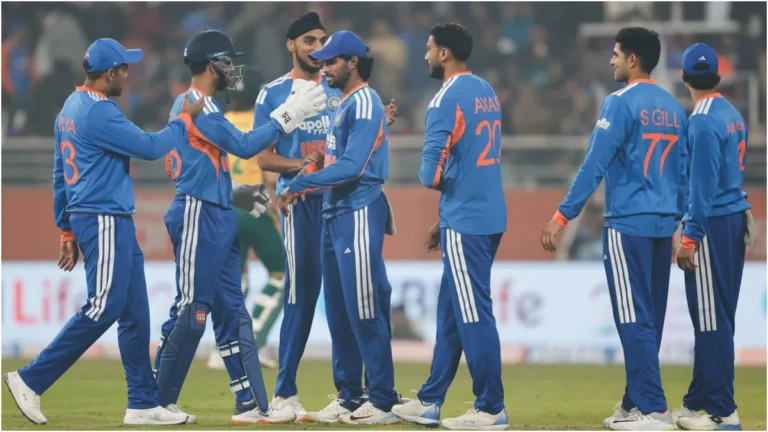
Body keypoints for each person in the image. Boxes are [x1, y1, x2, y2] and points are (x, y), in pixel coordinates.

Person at [3, 38, 205, 426]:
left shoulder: (70, 107)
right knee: (104, 306)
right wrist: (184, 120)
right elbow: (150, 147)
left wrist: (65, 229)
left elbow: (60, 173)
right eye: (124, 69)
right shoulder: (101, 111)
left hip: (102, 216)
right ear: (110, 73)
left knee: (134, 312)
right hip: (103, 216)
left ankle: (142, 403)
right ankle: (30, 379)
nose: (128, 75)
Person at [152, 29, 326, 424]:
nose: (234, 70)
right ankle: (153, 401)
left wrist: (236, 194)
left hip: (216, 210)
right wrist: (289, 114)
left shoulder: (202, 105)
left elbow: (199, 165)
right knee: (192, 310)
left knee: (232, 312)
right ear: (212, 64)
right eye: (228, 62)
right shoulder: (195, 103)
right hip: (197, 213)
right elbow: (245, 146)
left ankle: (251, 404)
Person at [539, 27, 688, 431]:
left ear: (633, 60)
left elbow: (594, 164)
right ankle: (635, 401)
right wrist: (680, 225)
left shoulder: (618, 103)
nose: (611, 60)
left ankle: (654, 409)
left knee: (632, 317)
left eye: (616, 54)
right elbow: (684, 173)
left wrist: (562, 215)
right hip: (663, 226)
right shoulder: (675, 108)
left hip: (627, 224)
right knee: (649, 319)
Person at [258, 14, 398, 422]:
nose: (318, 51)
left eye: (323, 43)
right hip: (304, 200)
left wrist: (377, 125)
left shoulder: (342, 91)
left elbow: (352, 150)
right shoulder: (275, 92)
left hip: (341, 197)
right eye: (310, 41)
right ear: (291, 45)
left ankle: (372, 393)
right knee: (303, 294)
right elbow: (263, 157)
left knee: (366, 295)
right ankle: (286, 391)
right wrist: (300, 172)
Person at [390, 23, 508, 431]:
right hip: (488, 215)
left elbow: (429, 174)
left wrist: (447, 204)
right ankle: (430, 400)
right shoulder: (486, 91)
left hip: (466, 220)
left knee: (473, 314)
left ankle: (491, 407)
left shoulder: (444, 99)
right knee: (452, 313)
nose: (424, 55)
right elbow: (476, 159)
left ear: (443, 53)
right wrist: (443, 219)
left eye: (428, 48)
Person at [673, 43, 754, 432]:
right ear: (717, 75)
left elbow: (702, 185)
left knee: (710, 320)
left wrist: (690, 236)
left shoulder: (701, 120)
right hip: (733, 217)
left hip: (712, 223)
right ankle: (699, 401)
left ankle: (722, 411)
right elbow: (732, 172)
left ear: (683, 76)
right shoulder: (732, 113)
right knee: (718, 317)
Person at [204, 66, 286, 372]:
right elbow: (270, 174)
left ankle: (223, 347)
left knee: (233, 278)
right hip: (253, 200)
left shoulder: (219, 122)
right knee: (283, 272)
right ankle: (254, 340)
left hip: (223, 202)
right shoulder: (263, 122)